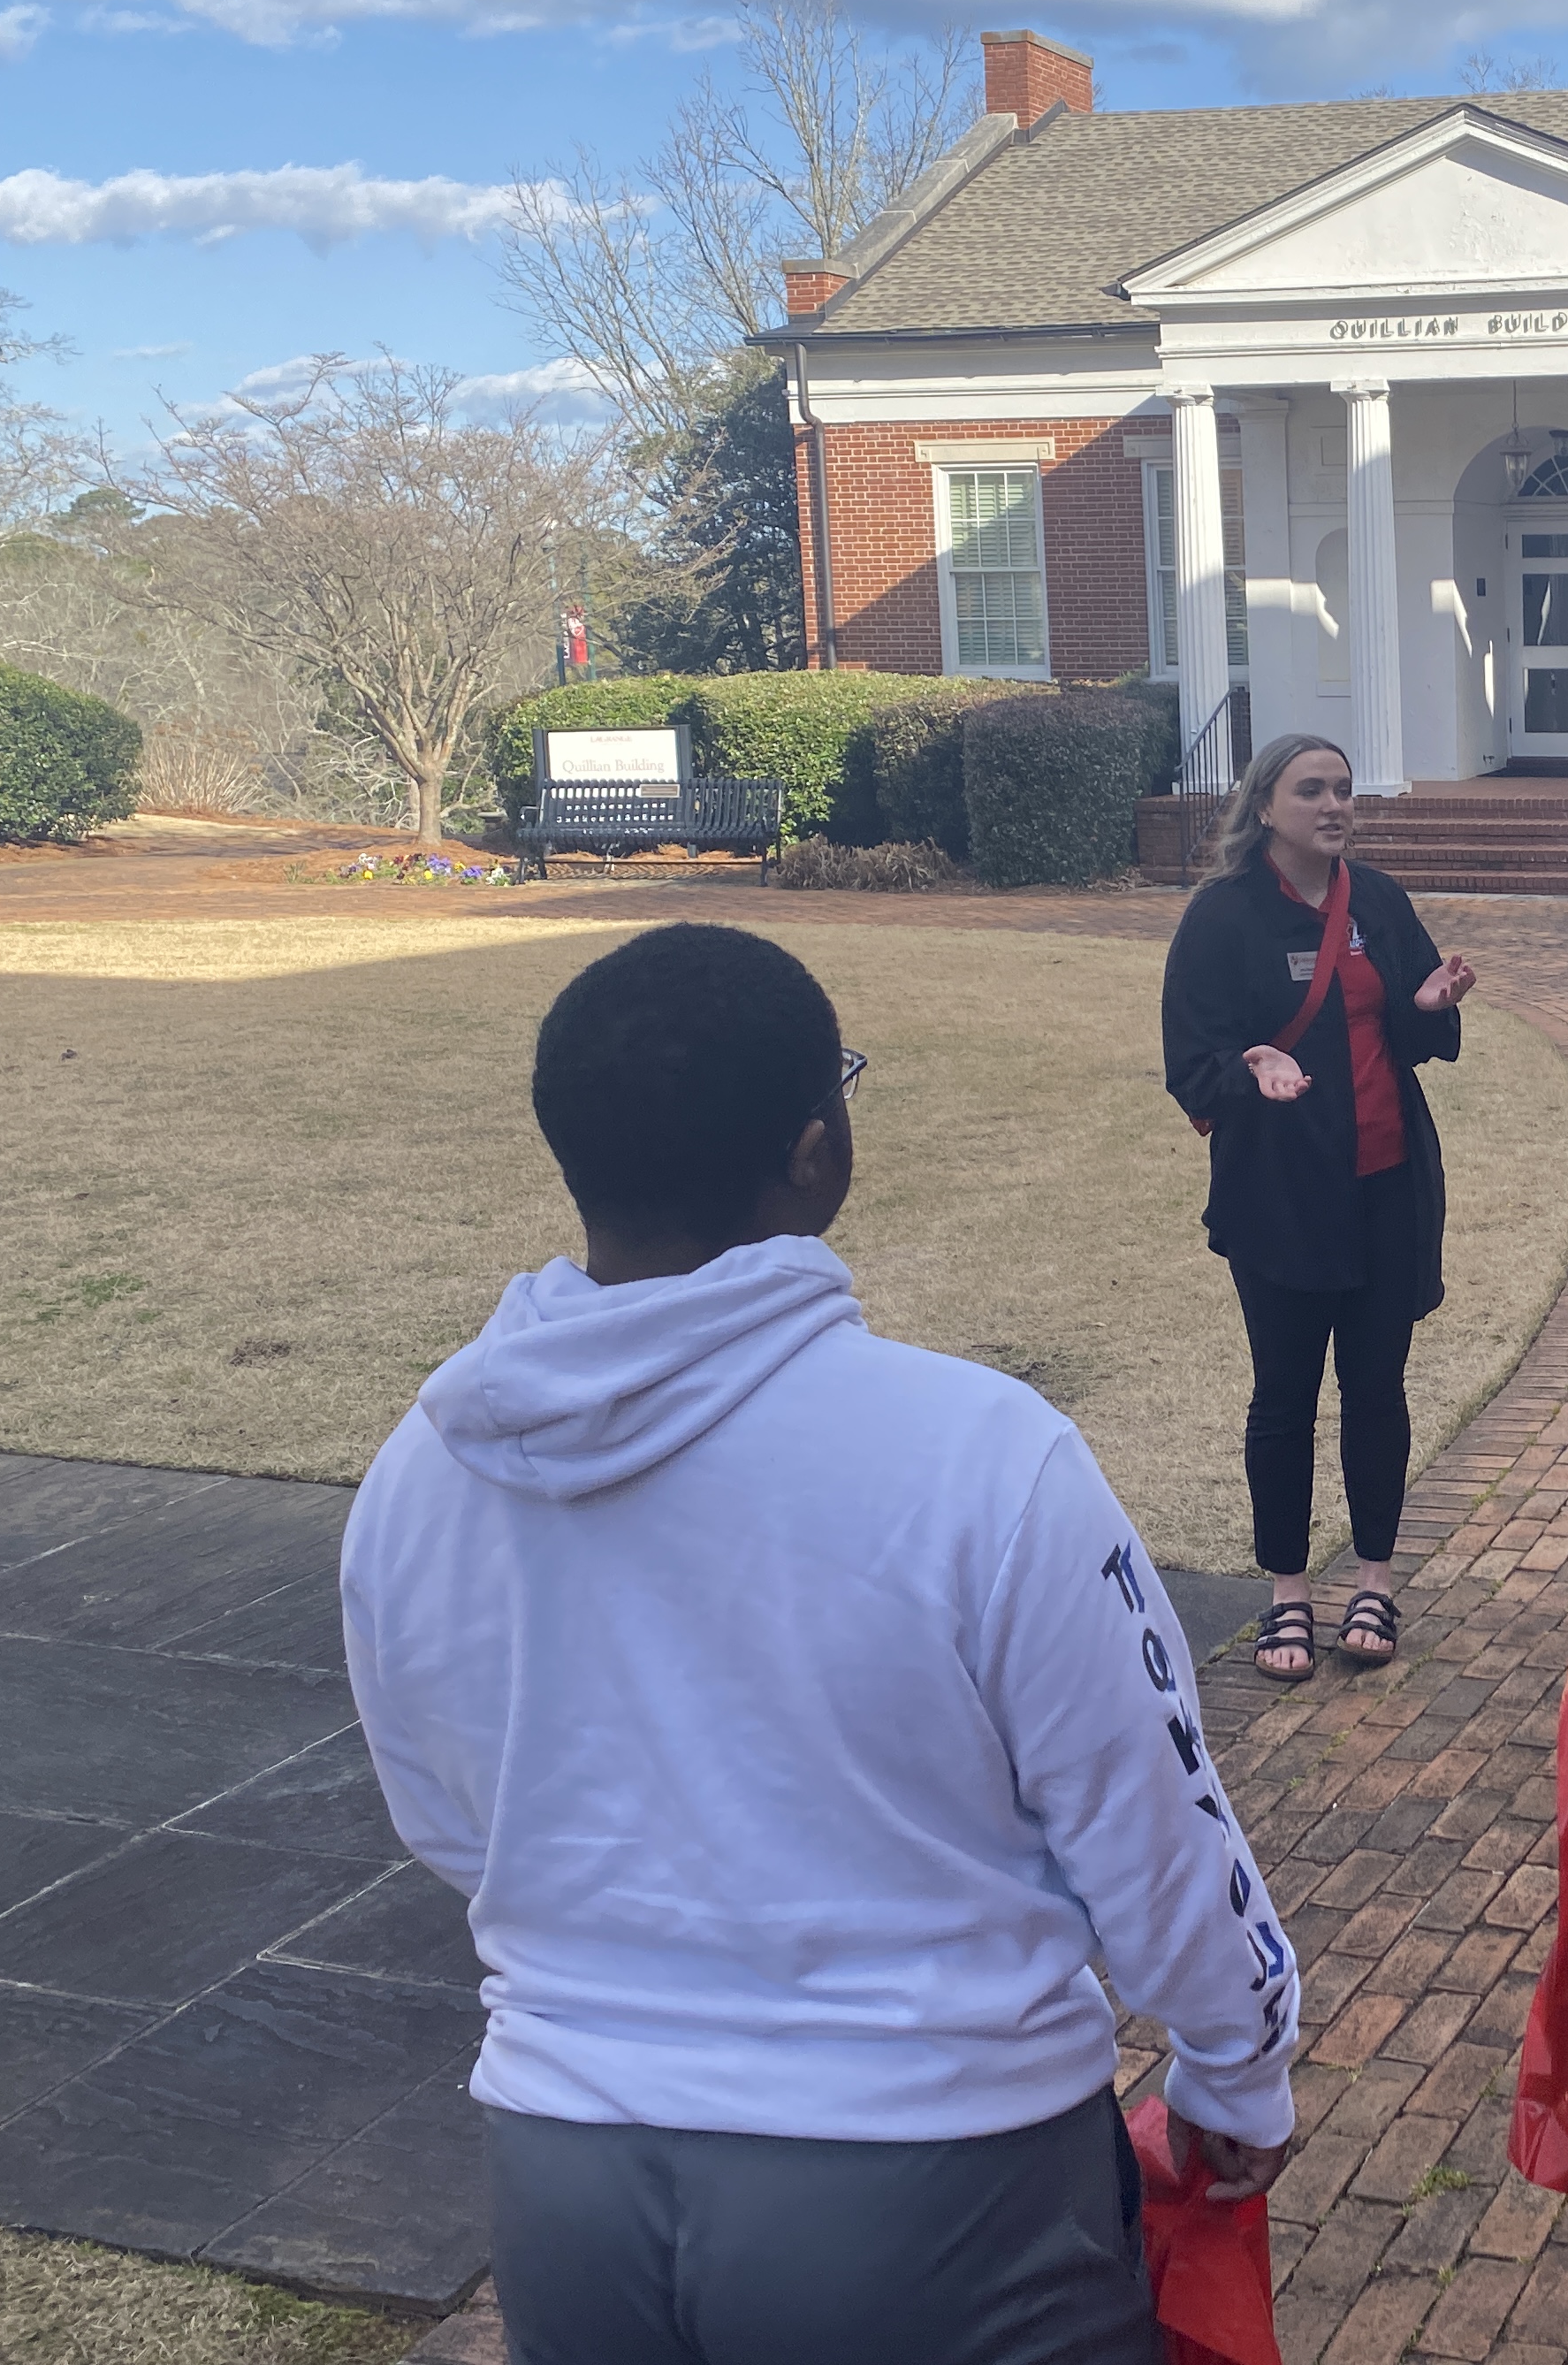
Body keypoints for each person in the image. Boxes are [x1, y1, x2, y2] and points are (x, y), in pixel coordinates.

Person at [342, 922, 1297, 2365]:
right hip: (941, 2180)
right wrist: (1237, 2062)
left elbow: (448, 1816)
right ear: (813, 1149)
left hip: (565, 2175)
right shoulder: (983, 1454)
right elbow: (1146, 1812)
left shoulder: (417, 1470)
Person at [1161, 736, 1474, 1683]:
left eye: (1343, 789)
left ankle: (1374, 1576)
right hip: (1282, 1200)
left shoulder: (1377, 900)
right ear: (1267, 807)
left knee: (1377, 1391)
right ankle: (1288, 1593)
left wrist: (1425, 1003)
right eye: (1312, 791)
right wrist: (1251, 1065)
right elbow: (1193, 1062)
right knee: (1284, 1398)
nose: (1335, 805)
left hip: (1387, 1189)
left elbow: (1418, 1037)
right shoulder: (1223, 917)